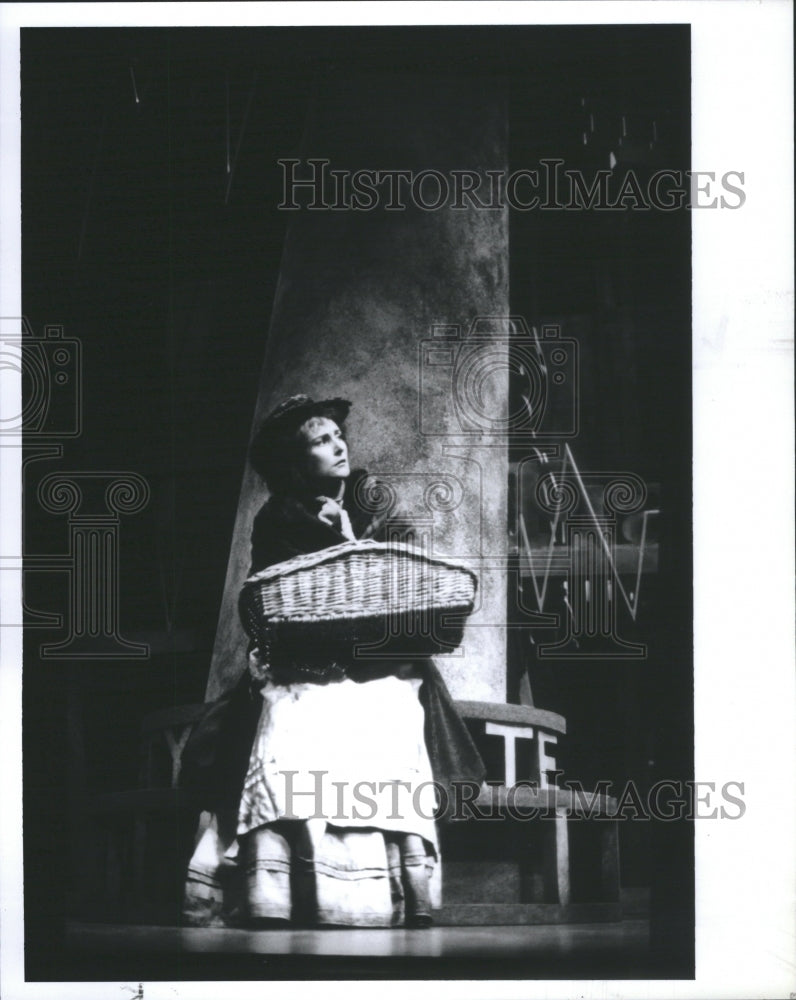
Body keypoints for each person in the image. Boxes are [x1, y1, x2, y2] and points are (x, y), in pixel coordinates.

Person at [181, 395, 484, 929]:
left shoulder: (370, 505)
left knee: (396, 707)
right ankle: (289, 886)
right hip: (307, 656)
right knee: (294, 715)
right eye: (320, 441)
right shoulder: (279, 515)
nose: (337, 444)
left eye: (337, 435)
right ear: (298, 463)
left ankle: (390, 888)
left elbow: (403, 572)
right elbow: (272, 597)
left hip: (377, 655)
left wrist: (347, 537)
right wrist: (323, 544)